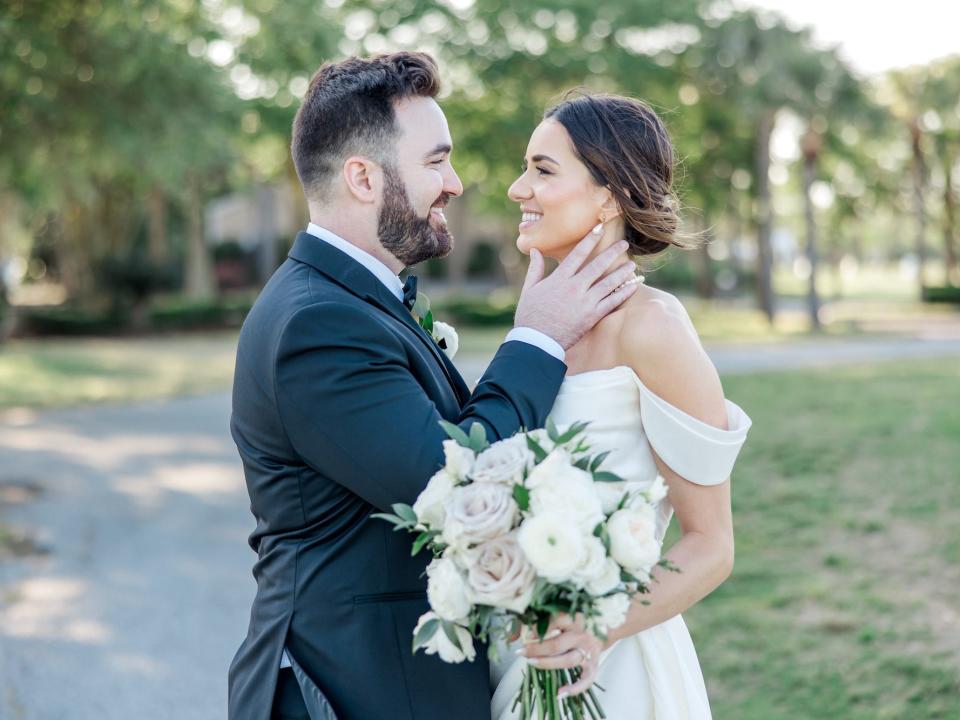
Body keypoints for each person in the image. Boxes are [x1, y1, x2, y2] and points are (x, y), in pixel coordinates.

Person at [227, 54, 639, 720]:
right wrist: (537, 338)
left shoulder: (352, 301)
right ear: (363, 178)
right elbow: (456, 481)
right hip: (352, 690)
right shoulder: (318, 323)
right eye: (434, 162)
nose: (454, 183)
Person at [490, 93, 753, 719]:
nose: (516, 188)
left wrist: (598, 627)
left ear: (608, 196)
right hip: (515, 655)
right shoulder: (536, 323)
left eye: (542, 169)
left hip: (612, 674)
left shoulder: (653, 327)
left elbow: (711, 544)